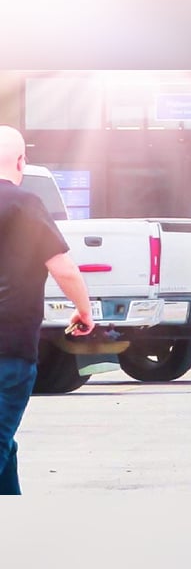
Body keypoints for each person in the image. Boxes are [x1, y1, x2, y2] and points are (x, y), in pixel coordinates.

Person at [0, 125, 95, 494]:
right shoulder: (24, 204)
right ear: (22, 161)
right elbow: (62, 267)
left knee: (6, 446)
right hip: (9, 349)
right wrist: (84, 310)